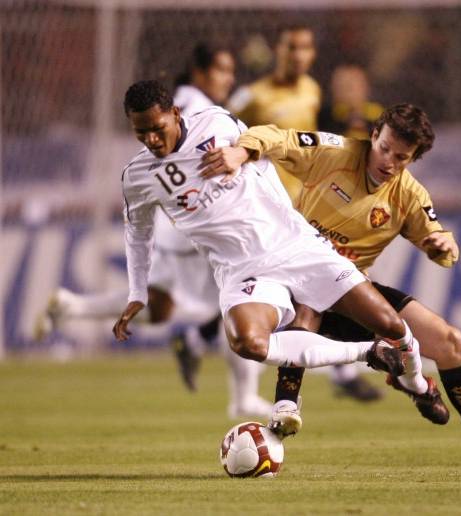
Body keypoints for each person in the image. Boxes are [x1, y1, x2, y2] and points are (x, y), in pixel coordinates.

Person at [199, 104, 461, 473]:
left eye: (401, 157)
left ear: (413, 158)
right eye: (385, 149)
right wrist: (241, 151)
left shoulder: (409, 196)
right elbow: (274, 137)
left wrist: (444, 246)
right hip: (291, 279)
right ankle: (287, 405)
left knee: (451, 342)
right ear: (374, 135)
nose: (389, 162)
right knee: (309, 302)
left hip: (351, 294)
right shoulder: (333, 153)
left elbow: (441, 244)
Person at [114, 80, 431, 439]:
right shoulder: (137, 177)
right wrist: (137, 292)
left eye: (158, 129)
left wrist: (242, 156)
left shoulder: (216, 122)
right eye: (141, 133)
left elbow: (265, 147)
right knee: (247, 342)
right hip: (241, 270)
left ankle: (418, 384)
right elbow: (137, 233)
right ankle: (368, 354)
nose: (152, 140)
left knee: (390, 325)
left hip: (295, 245)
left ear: (175, 114)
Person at [34, 46, 271, 419]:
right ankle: (240, 392)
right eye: (221, 71)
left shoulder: (195, 107)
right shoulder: (195, 107)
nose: (228, 79)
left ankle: (73, 307)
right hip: (197, 229)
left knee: (160, 308)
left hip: (174, 229)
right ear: (199, 74)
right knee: (243, 301)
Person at [229, 26, 381, 402]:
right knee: (272, 296)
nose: (299, 55)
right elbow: (224, 131)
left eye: (306, 48)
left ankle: (323, 380)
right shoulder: (251, 96)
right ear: (278, 50)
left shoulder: (312, 90)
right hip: (264, 213)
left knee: (325, 289)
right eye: (292, 47)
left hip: (306, 206)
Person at [318, 63, 384, 139]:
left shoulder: (378, 116)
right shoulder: (325, 117)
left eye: (350, 86)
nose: (346, 92)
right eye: (340, 86)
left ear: (366, 87)